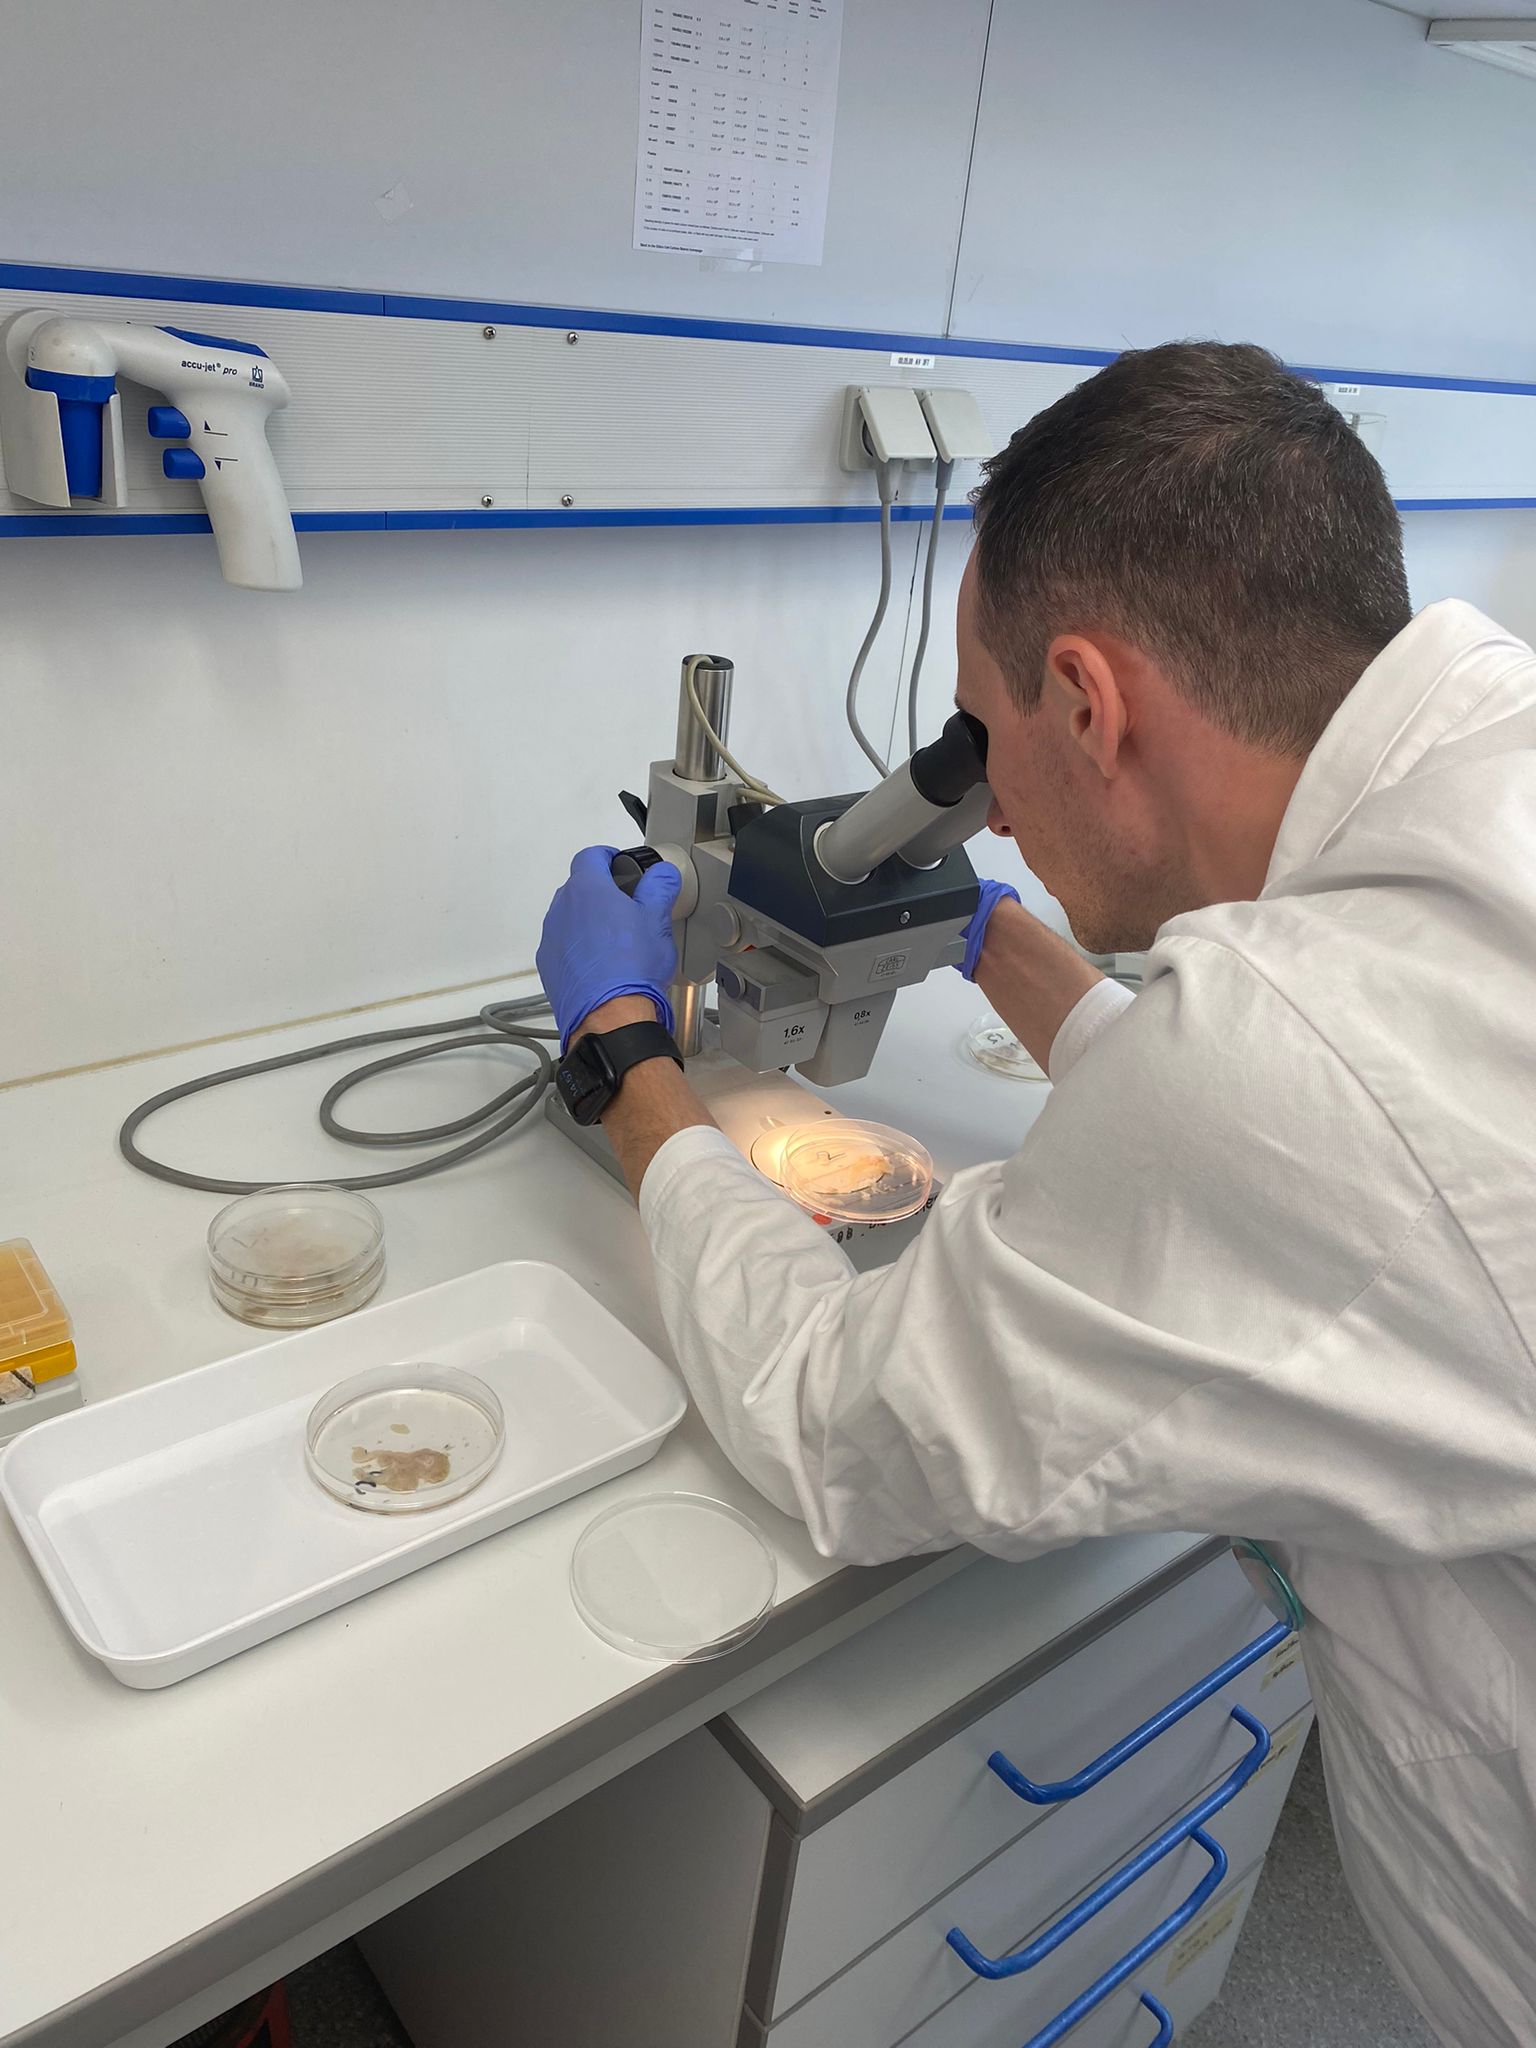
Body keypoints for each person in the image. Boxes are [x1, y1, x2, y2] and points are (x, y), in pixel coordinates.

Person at [537, 341, 1536, 2048]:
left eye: (987, 743)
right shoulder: (1482, 747)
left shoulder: (1273, 1069)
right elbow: (1346, 1136)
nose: (984, 801)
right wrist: (1031, 961)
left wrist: (623, 1057)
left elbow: (826, 1421)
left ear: (1089, 700)